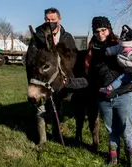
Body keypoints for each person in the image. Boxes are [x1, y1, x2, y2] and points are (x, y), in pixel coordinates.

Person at [25, 7, 88, 144]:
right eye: (47, 19)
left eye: (53, 19)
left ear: (59, 20)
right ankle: (42, 139)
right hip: (42, 78)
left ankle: (56, 131)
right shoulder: (38, 37)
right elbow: (30, 61)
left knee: (57, 105)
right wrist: (33, 81)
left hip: (59, 79)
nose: (50, 22)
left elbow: (73, 58)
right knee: (41, 106)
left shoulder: (67, 37)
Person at [85, 16, 132, 167]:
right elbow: (90, 78)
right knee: (111, 130)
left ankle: (131, 162)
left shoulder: (120, 46)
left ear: (109, 30)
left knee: (126, 130)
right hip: (104, 98)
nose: (100, 33)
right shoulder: (92, 52)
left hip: (125, 94)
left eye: (103, 30)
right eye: (97, 31)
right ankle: (113, 158)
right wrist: (67, 82)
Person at [99, 25, 132, 98]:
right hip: (127, 70)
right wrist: (108, 51)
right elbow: (116, 49)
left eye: (125, 47)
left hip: (131, 72)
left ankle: (109, 89)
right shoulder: (122, 48)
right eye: (122, 46)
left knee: (120, 79)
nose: (122, 48)